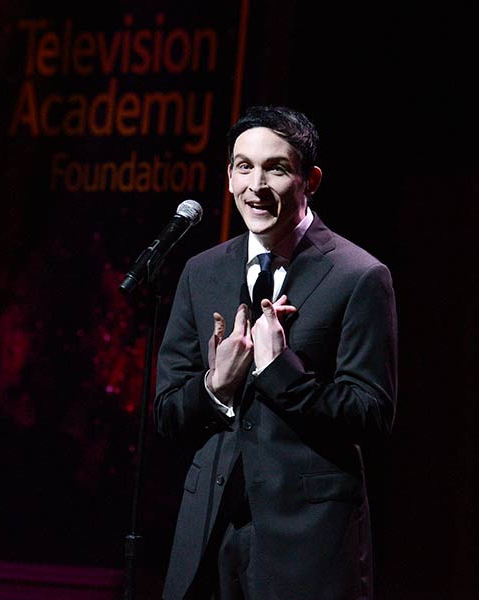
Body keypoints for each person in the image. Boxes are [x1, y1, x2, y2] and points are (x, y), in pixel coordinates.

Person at [154, 106, 397, 599]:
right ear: (227, 177)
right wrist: (214, 389)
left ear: (311, 180)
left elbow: (372, 416)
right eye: (243, 167)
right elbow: (167, 413)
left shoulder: (359, 276)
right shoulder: (202, 273)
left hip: (307, 545)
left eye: (276, 168)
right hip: (208, 536)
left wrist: (278, 369)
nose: (256, 186)